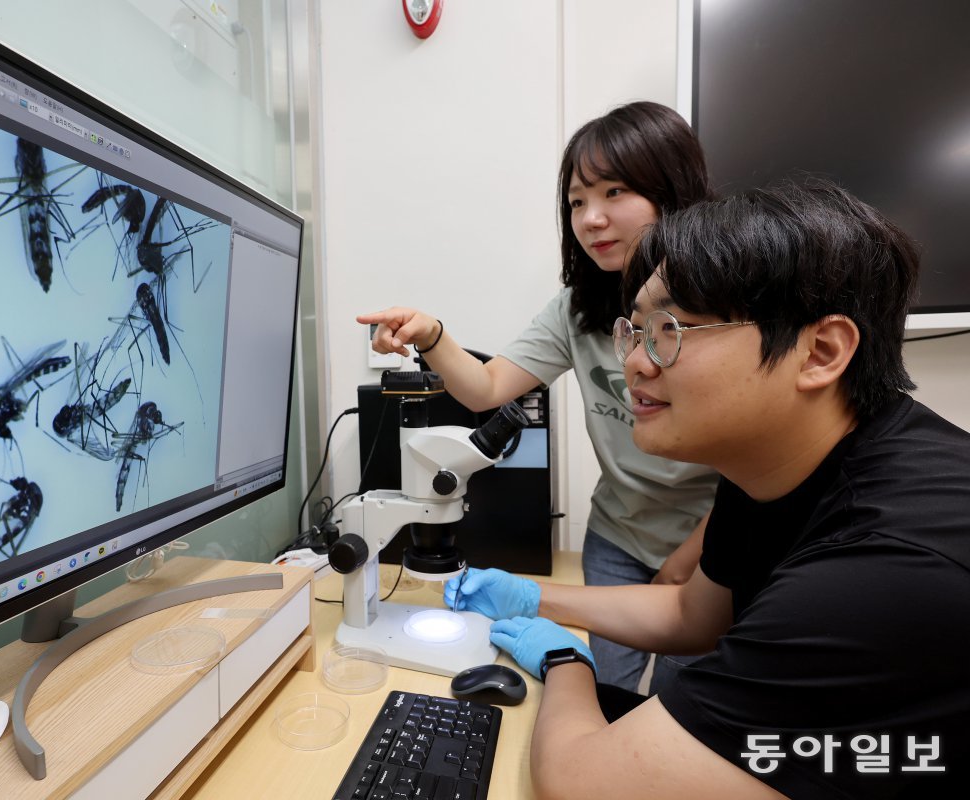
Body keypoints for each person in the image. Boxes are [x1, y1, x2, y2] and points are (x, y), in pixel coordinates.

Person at [466, 179, 970, 799]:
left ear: (820, 352)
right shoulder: (772, 462)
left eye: (672, 329)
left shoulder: (886, 565)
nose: (636, 362)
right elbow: (691, 614)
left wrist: (565, 662)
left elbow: (584, 785)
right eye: (637, 330)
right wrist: (529, 596)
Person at [359, 101, 717, 693]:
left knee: (685, 702)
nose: (592, 219)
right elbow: (487, 387)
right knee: (613, 691)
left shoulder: (723, 308)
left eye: (615, 192)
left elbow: (761, 465)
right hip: (619, 534)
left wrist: (684, 568)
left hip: (714, 540)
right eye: (577, 202)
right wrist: (433, 336)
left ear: (673, 192)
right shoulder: (579, 307)